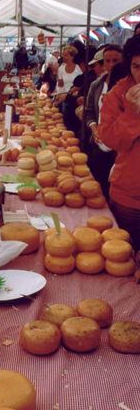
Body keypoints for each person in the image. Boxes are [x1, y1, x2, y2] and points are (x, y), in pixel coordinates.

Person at [98, 34, 140, 257]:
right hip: (128, 196)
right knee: (120, 260)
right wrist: (133, 114)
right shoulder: (119, 92)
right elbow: (108, 138)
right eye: (136, 66)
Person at [84, 44, 123, 198]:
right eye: (107, 61)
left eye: (115, 60)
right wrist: (94, 130)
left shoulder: (127, 87)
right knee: (98, 186)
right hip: (99, 143)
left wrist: (117, 102)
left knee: (114, 189)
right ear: (103, 62)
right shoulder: (96, 85)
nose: (111, 64)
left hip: (119, 148)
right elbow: (88, 113)